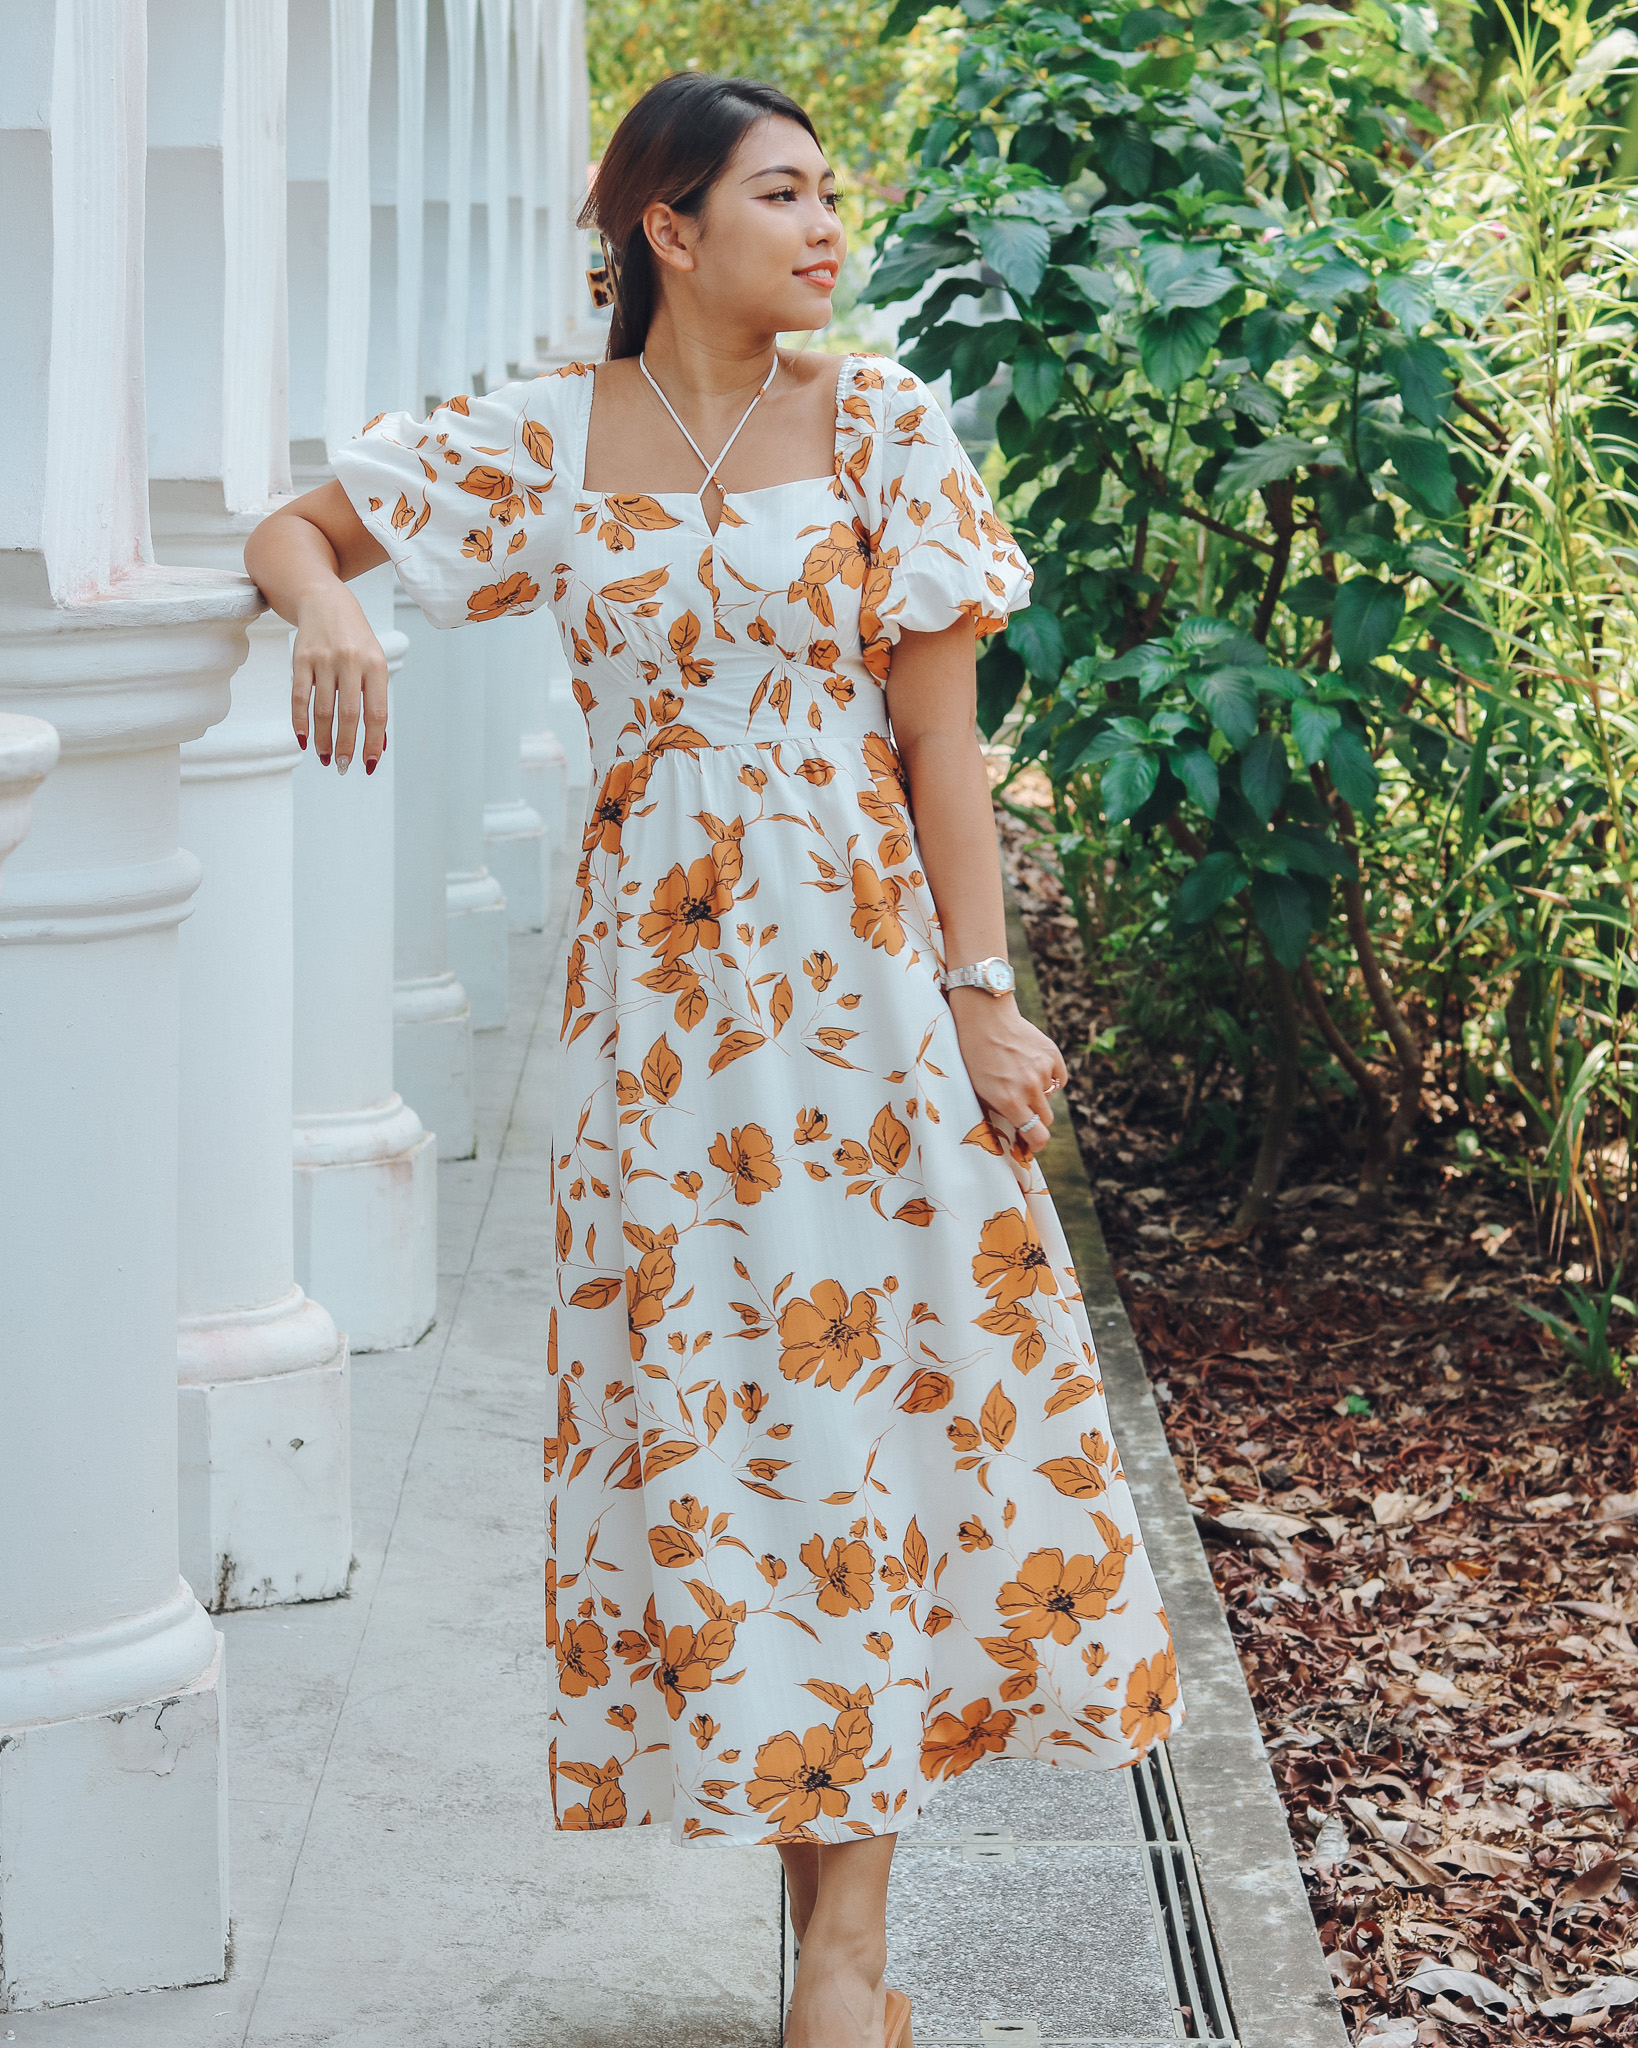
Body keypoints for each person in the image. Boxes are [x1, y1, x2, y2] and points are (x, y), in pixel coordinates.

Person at [245, 70, 1181, 2048]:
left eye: (831, 194)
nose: (830, 228)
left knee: (885, 1428)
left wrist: (987, 986)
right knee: (747, 1447)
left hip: (863, 1004)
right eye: (786, 194)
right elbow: (296, 525)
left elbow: (944, 747)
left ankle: (841, 1967)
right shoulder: (548, 433)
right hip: (665, 1035)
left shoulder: (879, 423)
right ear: (670, 226)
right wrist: (333, 617)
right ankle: (836, 1954)